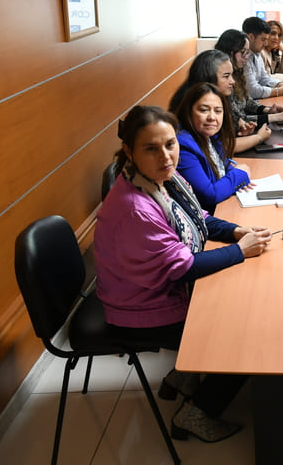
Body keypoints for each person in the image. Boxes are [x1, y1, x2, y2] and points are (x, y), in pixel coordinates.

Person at [94, 105, 273, 442]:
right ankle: (197, 413)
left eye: (170, 144)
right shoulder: (136, 209)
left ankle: (183, 377)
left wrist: (235, 232)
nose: (166, 156)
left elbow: (197, 217)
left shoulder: (157, 179)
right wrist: (240, 251)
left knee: (243, 299)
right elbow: (182, 270)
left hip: (144, 288)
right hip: (141, 307)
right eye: (151, 148)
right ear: (129, 152)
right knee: (247, 332)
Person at [174, 83, 251, 214]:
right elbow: (209, 196)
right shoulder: (183, 146)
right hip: (208, 220)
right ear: (188, 112)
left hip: (223, 209)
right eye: (204, 110)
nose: (212, 117)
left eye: (218, 111)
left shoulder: (210, 136)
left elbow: (225, 166)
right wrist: (240, 174)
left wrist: (235, 177)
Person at [214, 30, 283, 130]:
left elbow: (247, 101)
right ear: (229, 52)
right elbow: (237, 120)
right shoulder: (221, 81)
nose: (246, 57)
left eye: (247, 52)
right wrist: (275, 117)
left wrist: (267, 110)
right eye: (243, 52)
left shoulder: (237, 71)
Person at [243, 16, 283, 99]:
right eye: (263, 39)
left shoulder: (256, 53)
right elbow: (253, 91)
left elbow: (264, 79)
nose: (265, 43)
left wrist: (280, 84)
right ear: (251, 37)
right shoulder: (243, 57)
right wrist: (281, 90)